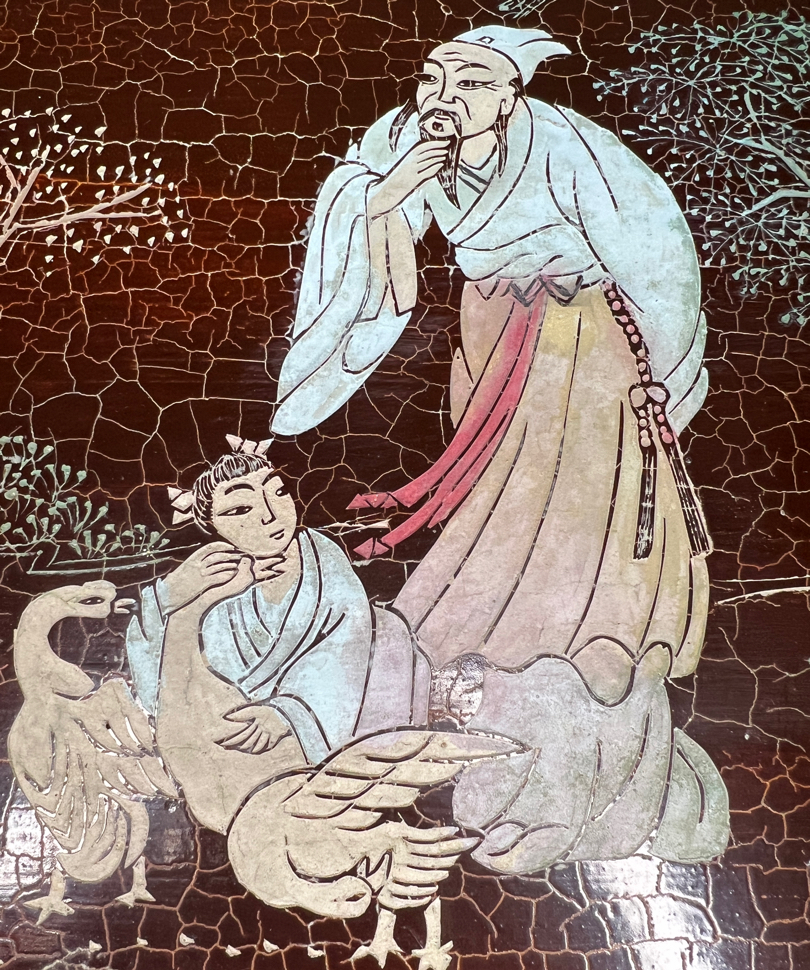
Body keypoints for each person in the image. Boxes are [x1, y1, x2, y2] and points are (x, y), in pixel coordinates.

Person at [270, 26, 712, 711]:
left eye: (472, 83)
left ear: (510, 96)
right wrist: (387, 198)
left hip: (578, 331)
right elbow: (391, 282)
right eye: (432, 79)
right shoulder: (402, 141)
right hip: (487, 324)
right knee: (499, 481)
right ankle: (495, 617)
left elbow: (652, 245)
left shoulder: (563, 145)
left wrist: (665, 360)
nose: (444, 97)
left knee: (579, 474)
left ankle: (595, 626)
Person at [126, 437, 431, 834]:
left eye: (279, 492)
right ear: (210, 524)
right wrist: (174, 594)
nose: (270, 516)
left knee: (386, 631)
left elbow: (348, 641)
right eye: (240, 509)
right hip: (238, 741)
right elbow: (162, 680)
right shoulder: (209, 574)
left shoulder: (321, 557)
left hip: (324, 724)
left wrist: (287, 712)